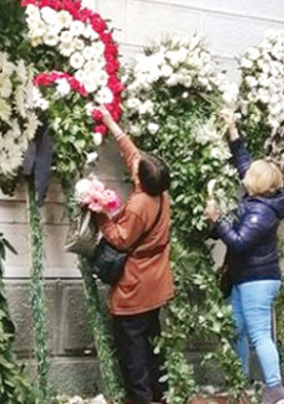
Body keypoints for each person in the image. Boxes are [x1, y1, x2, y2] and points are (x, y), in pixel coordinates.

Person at [205, 111, 284, 404]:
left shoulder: (261, 212)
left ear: (256, 184)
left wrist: (217, 221)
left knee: (258, 334)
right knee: (237, 330)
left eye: (248, 176)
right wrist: (232, 129)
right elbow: (243, 160)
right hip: (245, 278)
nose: (244, 176)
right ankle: (240, 384)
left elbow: (239, 243)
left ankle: (276, 390)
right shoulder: (260, 197)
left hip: (258, 280)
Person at [96, 108, 175, 404]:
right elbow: (134, 156)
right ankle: (160, 395)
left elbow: (119, 238)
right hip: (156, 282)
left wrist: (101, 214)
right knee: (153, 341)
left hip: (135, 287)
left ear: (140, 181)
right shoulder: (160, 193)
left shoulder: (140, 203)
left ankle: (142, 398)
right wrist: (111, 123)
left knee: (133, 349)